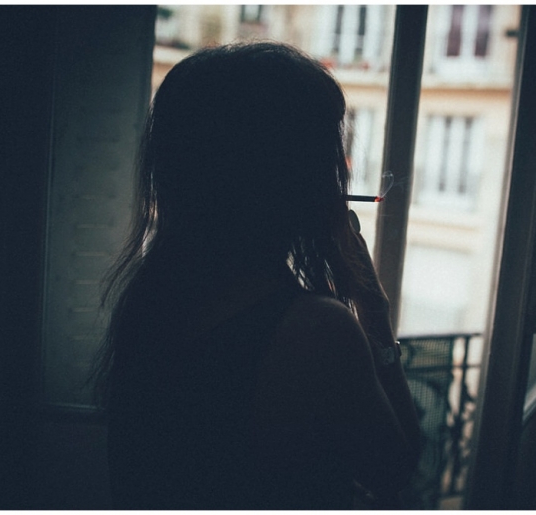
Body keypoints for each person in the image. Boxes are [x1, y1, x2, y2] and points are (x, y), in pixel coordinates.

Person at [95, 42, 420, 510]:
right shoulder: (316, 330)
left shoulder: (153, 297)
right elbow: (396, 468)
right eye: (327, 152)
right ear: (291, 176)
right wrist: (374, 310)